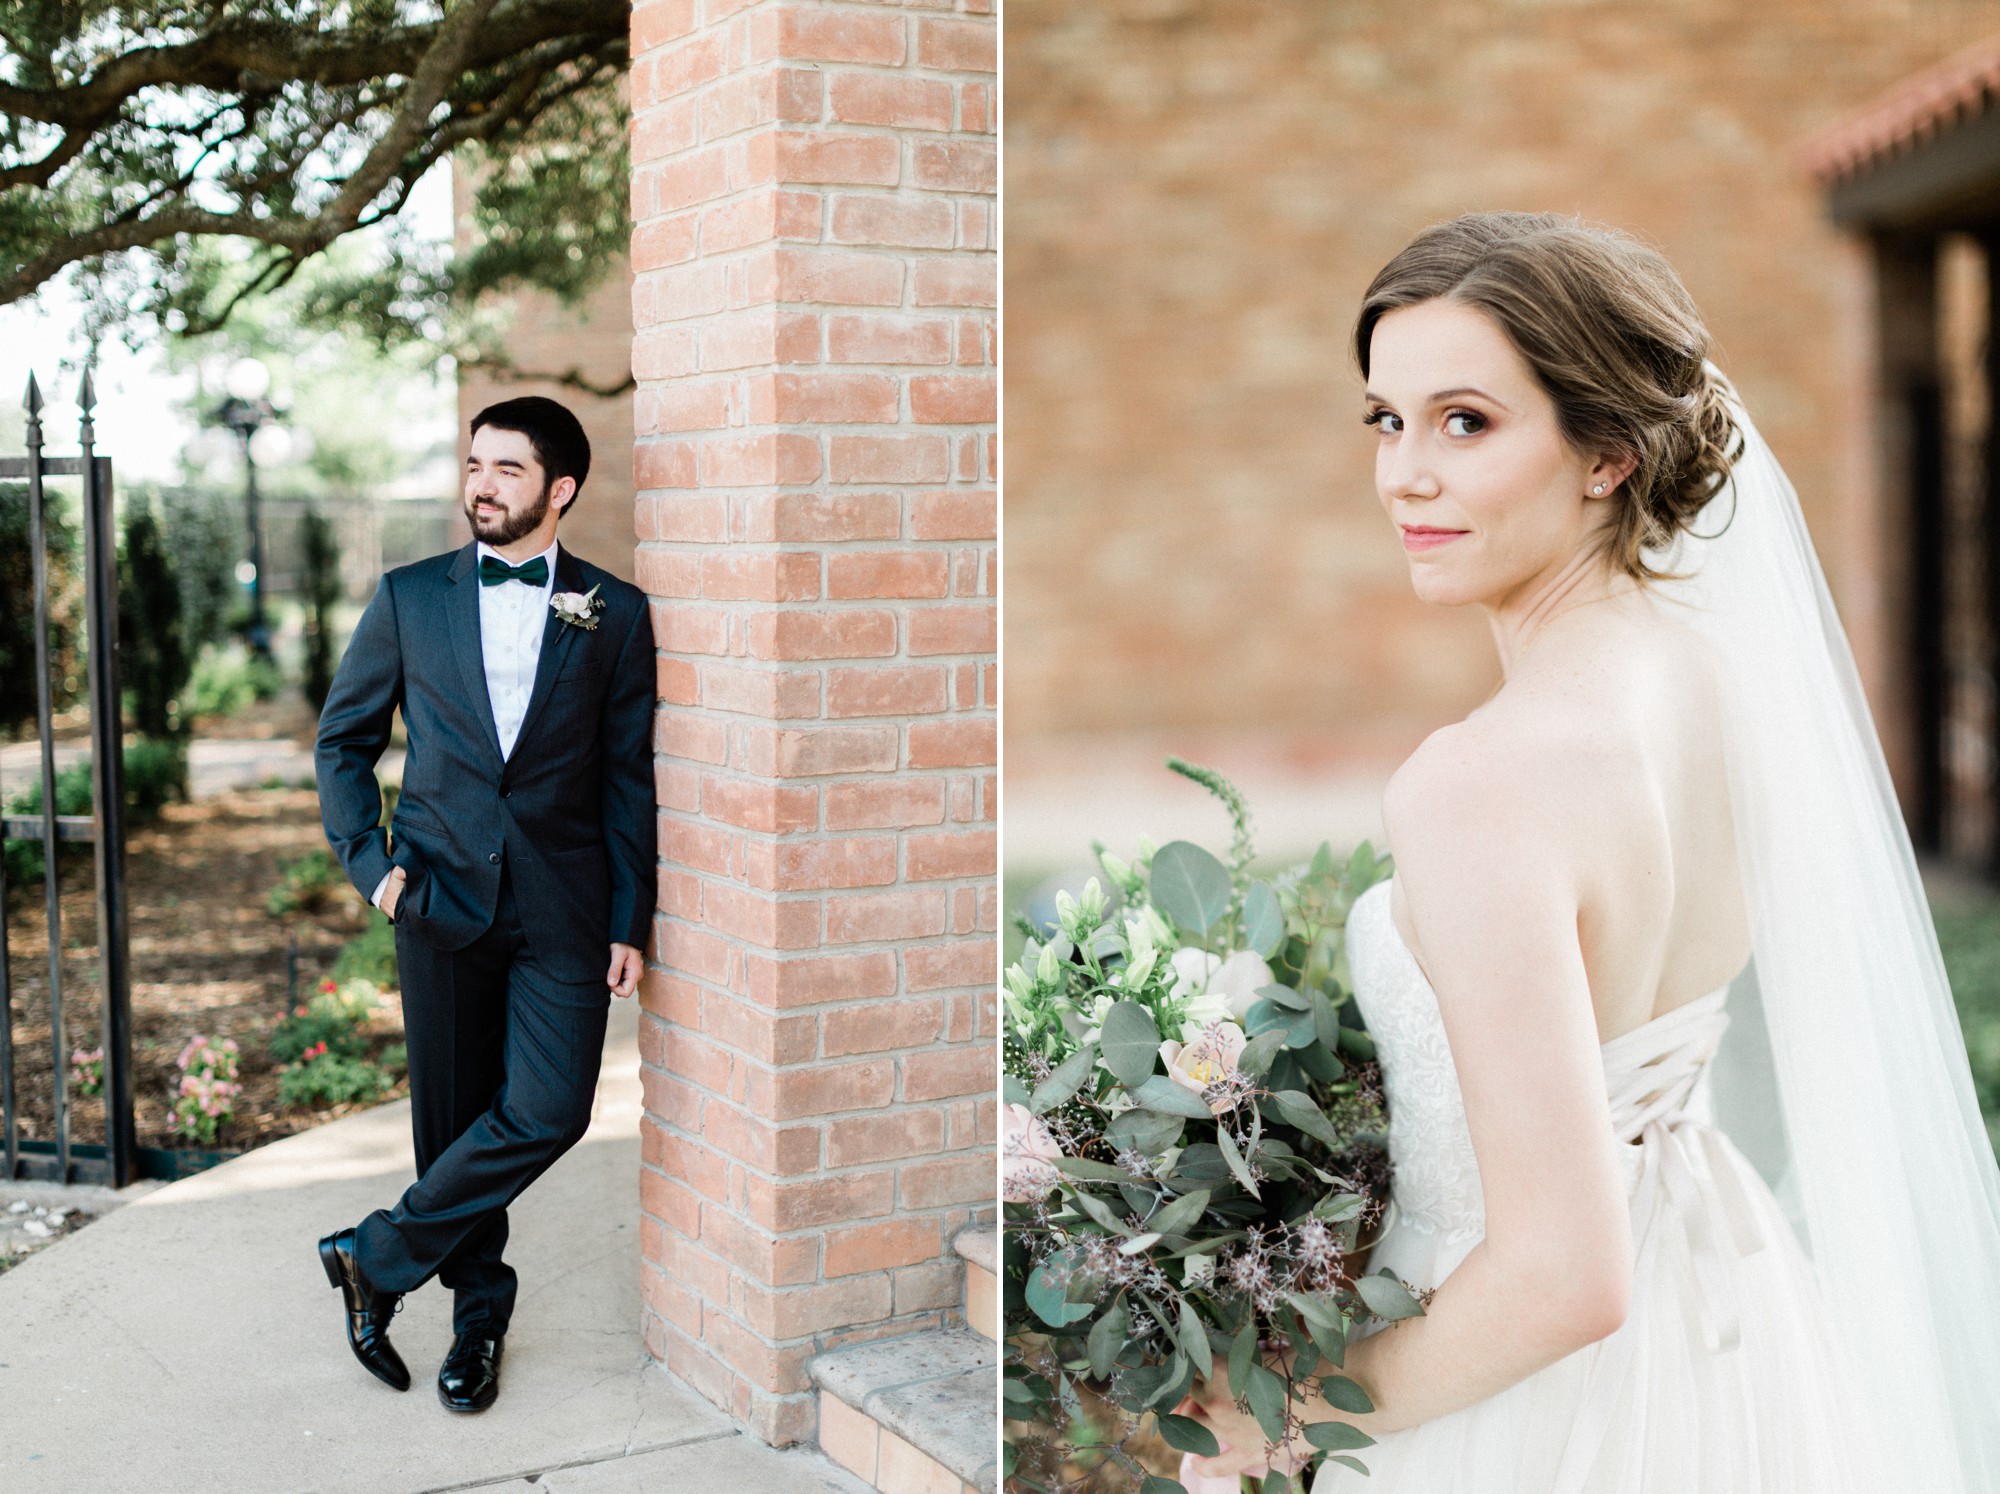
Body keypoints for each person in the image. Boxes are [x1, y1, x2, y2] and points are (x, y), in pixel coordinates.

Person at [1178, 214, 2000, 1490]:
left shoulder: (1481, 781)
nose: (1403, 476)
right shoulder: (1722, 685)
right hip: (1720, 1324)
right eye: (1384, 422)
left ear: (1606, 453)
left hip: (1512, 1392)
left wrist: (1288, 1417)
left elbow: (1561, 1275)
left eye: (1465, 422)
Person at [312, 395, 657, 1413]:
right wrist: (369, 864)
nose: (481, 486)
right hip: (438, 899)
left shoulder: (615, 612)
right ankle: (478, 1322)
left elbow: (627, 779)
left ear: (560, 490)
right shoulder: (409, 596)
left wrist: (628, 916)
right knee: (453, 1125)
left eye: (507, 470)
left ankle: (373, 1257)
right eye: (473, 464)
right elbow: (343, 742)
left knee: (550, 1110)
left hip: (564, 906)